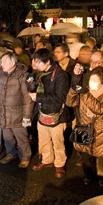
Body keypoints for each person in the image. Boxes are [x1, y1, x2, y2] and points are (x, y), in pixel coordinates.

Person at [0, 51, 35, 168]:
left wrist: (27, 116)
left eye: (4, 62)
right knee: (7, 137)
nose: (1, 64)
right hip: (2, 113)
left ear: (13, 62)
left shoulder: (22, 76)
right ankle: (11, 153)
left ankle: (25, 157)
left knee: (21, 137)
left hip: (17, 114)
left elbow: (27, 98)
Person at [30, 49, 71, 177]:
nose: (36, 65)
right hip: (42, 112)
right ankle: (47, 159)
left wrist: (38, 97)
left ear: (47, 62)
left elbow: (60, 98)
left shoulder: (60, 75)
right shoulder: (39, 73)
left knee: (58, 141)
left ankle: (60, 164)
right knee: (44, 139)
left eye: (38, 62)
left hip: (56, 113)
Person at [73, 71, 103, 185]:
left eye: (96, 80)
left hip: (101, 131)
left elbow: (100, 109)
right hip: (84, 128)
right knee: (86, 156)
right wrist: (73, 89)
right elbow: (70, 102)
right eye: (91, 79)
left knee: (102, 157)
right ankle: (88, 176)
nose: (92, 83)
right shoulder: (84, 91)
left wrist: (86, 94)